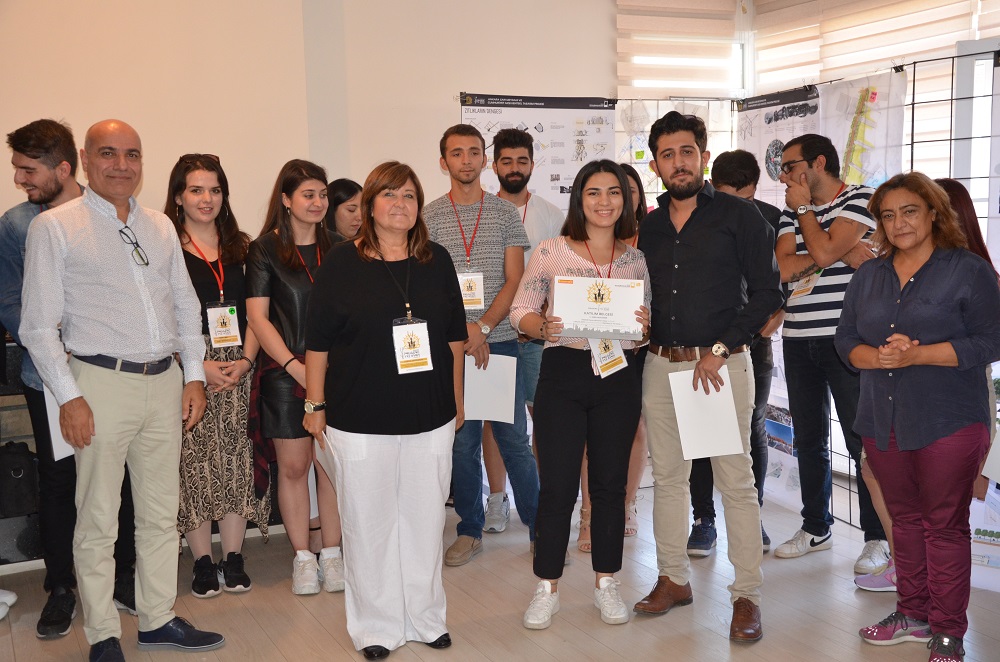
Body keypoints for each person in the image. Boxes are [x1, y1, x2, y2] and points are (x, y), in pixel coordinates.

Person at [19, 119, 224, 661]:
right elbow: (37, 327)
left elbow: (185, 305)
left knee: (159, 514)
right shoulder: (55, 227)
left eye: (132, 154)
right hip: (97, 384)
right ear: (85, 161)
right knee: (97, 519)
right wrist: (70, 397)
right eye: (108, 153)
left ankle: (156, 619)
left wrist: (195, 375)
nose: (121, 164)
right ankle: (103, 634)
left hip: (164, 383)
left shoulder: (159, 225)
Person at [303, 161, 465, 660]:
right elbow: (318, 343)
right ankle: (375, 627)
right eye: (390, 195)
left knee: (424, 521)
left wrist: (457, 403)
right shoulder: (341, 262)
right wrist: (314, 404)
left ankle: (425, 618)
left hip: (430, 416)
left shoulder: (437, 260)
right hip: (358, 418)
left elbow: (455, 340)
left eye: (410, 196)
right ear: (370, 205)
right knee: (368, 524)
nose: (400, 204)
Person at [835, 172, 1000, 662]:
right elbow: (846, 340)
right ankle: (913, 613)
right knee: (904, 521)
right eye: (888, 215)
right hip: (881, 418)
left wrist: (918, 354)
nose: (899, 223)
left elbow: (992, 341)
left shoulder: (968, 269)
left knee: (944, 525)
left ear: (933, 212)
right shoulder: (868, 274)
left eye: (909, 211)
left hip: (949, 419)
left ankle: (948, 631)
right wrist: (876, 357)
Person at [633, 111, 782, 643]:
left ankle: (746, 595)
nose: (678, 162)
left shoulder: (740, 217)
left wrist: (720, 349)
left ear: (703, 156)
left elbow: (768, 294)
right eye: (667, 155)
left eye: (687, 152)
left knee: (734, 483)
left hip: (717, 367)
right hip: (660, 364)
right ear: (655, 165)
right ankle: (673, 578)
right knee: (669, 480)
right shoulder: (648, 227)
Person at [0, 119, 139, 640]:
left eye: (28, 170)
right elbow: (10, 301)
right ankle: (62, 587)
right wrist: (57, 339)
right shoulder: (16, 225)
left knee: (120, 478)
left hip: (112, 375)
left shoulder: (110, 214)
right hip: (48, 379)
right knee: (59, 482)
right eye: (17, 169)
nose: (20, 179)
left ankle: (123, 578)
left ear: (63, 168)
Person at [510, 159, 650, 629]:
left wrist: (644, 327)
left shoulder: (634, 259)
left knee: (609, 486)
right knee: (558, 485)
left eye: (614, 192)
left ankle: (606, 583)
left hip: (617, 374)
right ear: (579, 199)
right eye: (594, 192)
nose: (604, 201)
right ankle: (546, 586)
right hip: (563, 372)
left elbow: (642, 327)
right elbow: (520, 310)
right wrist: (541, 325)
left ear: (626, 201)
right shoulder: (551, 250)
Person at [774, 133, 890, 575]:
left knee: (862, 441)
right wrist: (838, 252)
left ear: (818, 163)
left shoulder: (861, 198)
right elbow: (785, 269)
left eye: (790, 166)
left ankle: (877, 537)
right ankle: (816, 526)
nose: (784, 177)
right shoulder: (788, 211)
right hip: (797, 337)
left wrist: (813, 228)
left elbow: (817, 250)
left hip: (848, 340)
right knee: (808, 438)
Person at [423, 124, 539, 566]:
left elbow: (516, 278)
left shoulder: (505, 213)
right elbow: (430, 288)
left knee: (514, 442)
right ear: (444, 162)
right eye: (457, 153)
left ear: (484, 160)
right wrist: (465, 333)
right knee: (462, 443)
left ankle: (540, 530)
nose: (466, 160)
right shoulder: (428, 217)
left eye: (474, 152)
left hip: (501, 342)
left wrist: (485, 327)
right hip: (451, 349)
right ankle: (469, 530)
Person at [164, 154, 270, 598]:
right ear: (178, 197)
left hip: (241, 362)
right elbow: (162, 316)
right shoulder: (165, 246)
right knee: (195, 464)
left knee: (237, 460)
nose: (206, 199)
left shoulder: (243, 247)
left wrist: (245, 361)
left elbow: (258, 312)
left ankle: (233, 557)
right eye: (196, 190)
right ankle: (203, 562)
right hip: (190, 366)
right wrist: (197, 366)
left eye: (215, 190)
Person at [245, 159, 343, 595]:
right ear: (286, 200)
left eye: (322, 195)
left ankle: (332, 554)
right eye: (308, 195)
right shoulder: (264, 249)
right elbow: (258, 319)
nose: (318, 202)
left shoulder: (341, 248)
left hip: (337, 371)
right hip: (285, 371)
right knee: (294, 466)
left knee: (330, 466)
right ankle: (303, 557)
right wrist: (293, 365)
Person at [686, 149, 784, 556]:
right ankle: (703, 519)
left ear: (755, 190)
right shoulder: (694, 215)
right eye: (728, 196)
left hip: (752, 344)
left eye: (744, 198)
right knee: (700, 434)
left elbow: (779, 282)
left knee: (752, 428)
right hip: (702, 344)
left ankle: (751, 515)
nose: (737, 206)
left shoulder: (771, 218)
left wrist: (775, 314)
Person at [481, 128, 564, 534]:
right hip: (494, 335)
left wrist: (541, 318)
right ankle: (497, 498)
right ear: (494, 165)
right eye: (507, 161)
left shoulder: (551, 214)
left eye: (522, 161)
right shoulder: (482, 211)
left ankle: (545, 500)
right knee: (493, 419)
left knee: (542, 419)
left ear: (533, 164)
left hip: (536, 338)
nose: (514, 168)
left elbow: (563, 274)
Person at [577, 162, 650, 551]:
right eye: (599, 192)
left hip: (638, 349)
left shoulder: (651, 238)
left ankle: (627, 503)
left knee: (635, 429)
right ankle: (589, 512)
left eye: (625, 190)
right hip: (589, 348)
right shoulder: (578, 243)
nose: (610, 199)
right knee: (591, 433)